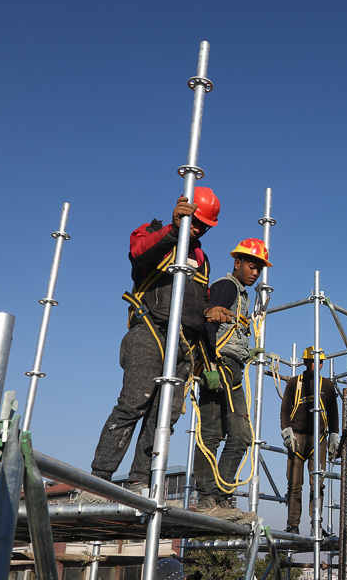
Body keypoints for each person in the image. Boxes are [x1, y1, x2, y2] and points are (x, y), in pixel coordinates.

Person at [82, 188, 233, 510]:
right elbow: (139, 255)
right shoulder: (152, 233)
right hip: (150, 333)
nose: (199, 229)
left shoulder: (202, 260)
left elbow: (196, 305)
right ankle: (98, 480)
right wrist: (174, 230)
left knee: (163, 416)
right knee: (134, 403)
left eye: (204, 225)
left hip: (183, 344)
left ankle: (138, 480)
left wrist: (208, 316)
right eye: (196, 222)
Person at [193, 238, 272, 522]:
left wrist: (245, 350)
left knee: (223, 434)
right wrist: (210, 364)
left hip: (231, 365)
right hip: (221, 367)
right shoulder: (226, 286)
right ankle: (209, 497)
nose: (255, 273)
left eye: (259, 269)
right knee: (228, 434)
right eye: (252, 266)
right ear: (237, 262)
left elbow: (227, 329)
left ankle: (217, 496)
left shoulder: (241, 293)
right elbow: (207, 322)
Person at [279, 347, 340, 535]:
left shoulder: (327, 385)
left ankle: (316, 526)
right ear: (305, 362)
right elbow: (285, 410)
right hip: (297, 438)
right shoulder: (294, 383)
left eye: (319, 362)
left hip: (318, 439)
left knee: (317, 484)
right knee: (294, 484)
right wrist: (287, 432)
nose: (316, 364)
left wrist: (334, 435)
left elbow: (333, 414)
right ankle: (293, 526)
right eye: (312, 361)